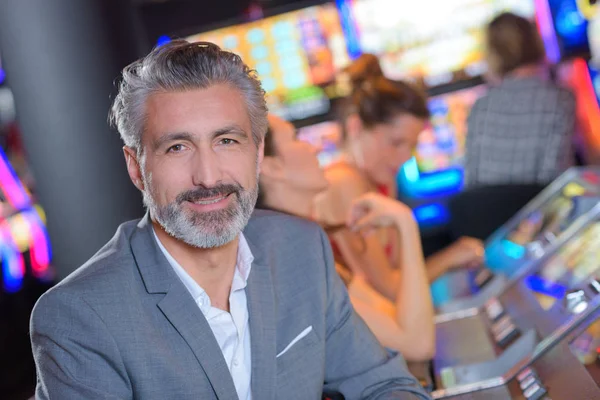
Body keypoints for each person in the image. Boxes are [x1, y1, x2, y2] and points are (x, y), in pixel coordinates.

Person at [29, 41, 430, 400]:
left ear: (256, 154)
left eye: (227, 141)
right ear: (136, 167)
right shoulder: (79, 317)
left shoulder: (301, 248)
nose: (208, 176)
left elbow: (382, 384)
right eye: (177, 147)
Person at [258, 115, 435, 361]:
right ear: (271, 166)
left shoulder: (306, 242)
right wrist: (405, 222)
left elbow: (401, 320)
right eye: (296, 138)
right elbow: (418, 344)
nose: (316, 146)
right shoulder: (293, 259)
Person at [315, 55, 484, 302]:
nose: (405, 157)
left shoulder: (381, 181)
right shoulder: (342, 182)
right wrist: (451, 257)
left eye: (412, 146)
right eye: (396, 143)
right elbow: (388, 292)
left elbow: (400, 276)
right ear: (356, 127)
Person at [464, 12, 576, 188]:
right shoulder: (560, 99)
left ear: (493, 53)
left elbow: (471, 184)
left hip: (489, 213)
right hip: (539, 210)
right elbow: (554, 179)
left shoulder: (480, 106)